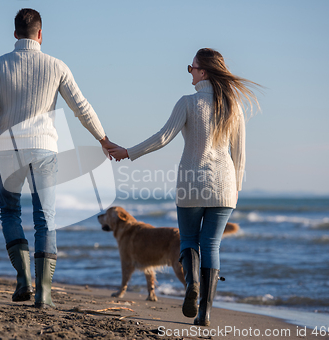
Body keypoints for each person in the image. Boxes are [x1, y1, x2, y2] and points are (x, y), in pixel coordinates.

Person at [0, 8, 116, 308]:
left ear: (15, 34)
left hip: (7, 148)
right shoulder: (56, 66)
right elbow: (82, 107)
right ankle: (44, 292)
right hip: (44, 149)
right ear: (40, 34)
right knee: (45, 219)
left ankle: (24, 278)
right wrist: (103, 139)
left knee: (10, 213)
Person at [109, 48, 260, 326]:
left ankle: (191, 283)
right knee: (211, 245)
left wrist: (128, 152)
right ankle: (205, 314)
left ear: (203, 72)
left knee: (189, 241)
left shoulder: (188, 102)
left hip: (191, 184)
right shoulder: (233, 106)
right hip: (225, 187)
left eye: (191, 68)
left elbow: (163, 137)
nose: (189, 73)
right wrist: (236, 185)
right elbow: (240, 153)